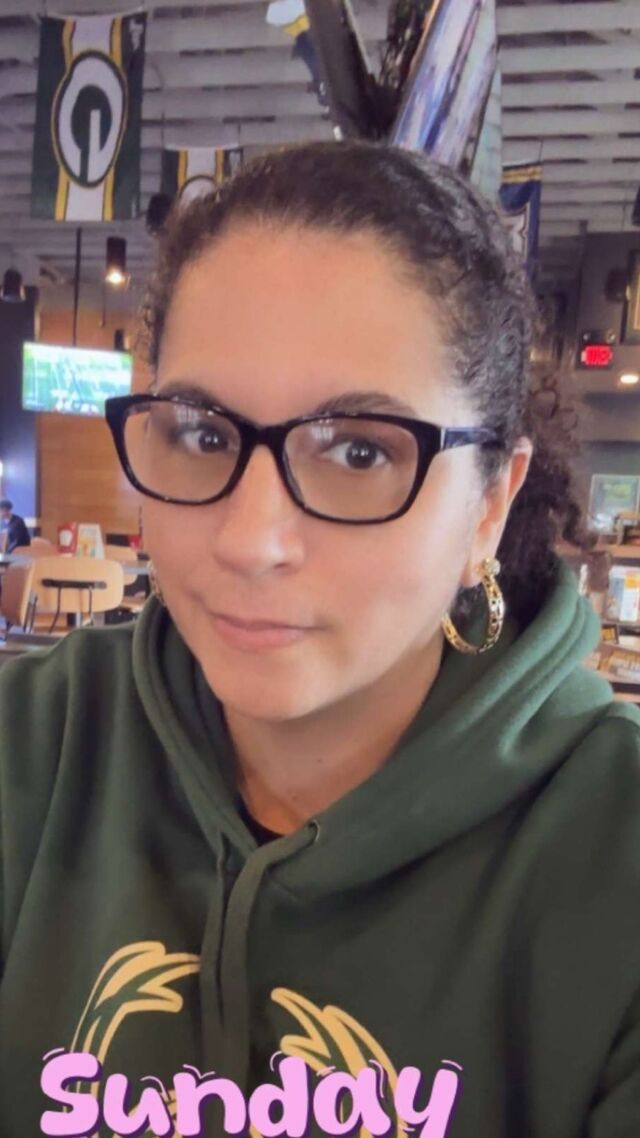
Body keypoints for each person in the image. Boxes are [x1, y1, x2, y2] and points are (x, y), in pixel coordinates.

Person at [0, 142, 639, 1138]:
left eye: (359, 451)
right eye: (204, 434)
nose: (251, 540)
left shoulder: (611, 851)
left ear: (489, 503)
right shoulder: (32, 749)